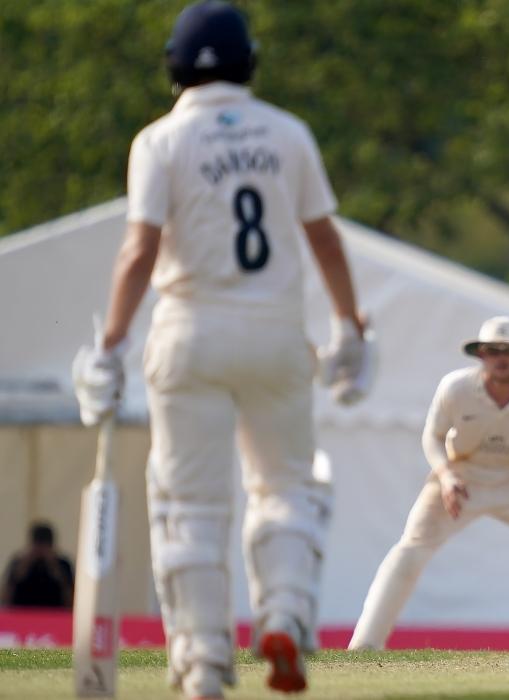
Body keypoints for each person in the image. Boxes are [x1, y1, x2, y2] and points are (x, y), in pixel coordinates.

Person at [70, 2, 374, 696]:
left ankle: (204, 659)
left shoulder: (159, 141)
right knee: (286, 485)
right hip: (275, 336)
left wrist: (109, 346)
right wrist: (350, 328)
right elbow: (325, 240)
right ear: (249, 62)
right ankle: (285, 614)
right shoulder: (287, 133)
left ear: (174, 67)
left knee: (190, 504)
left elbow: (139, 250)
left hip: (189, 336)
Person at [348, 316, 509, 654]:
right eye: (493, 350)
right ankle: (365, 646)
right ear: (480, 354)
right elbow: (433, 436)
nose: (501, 358)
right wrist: (446, 476)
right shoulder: (455, 388)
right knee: (409, 550)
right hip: (463, 480)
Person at [1, 522, 74, 609]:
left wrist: (55, 569)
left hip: (54, 613)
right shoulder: (18, 563)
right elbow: (4, 600)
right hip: (21, 613)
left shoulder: (63, 564)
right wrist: (22, 569)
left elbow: (71, 601)